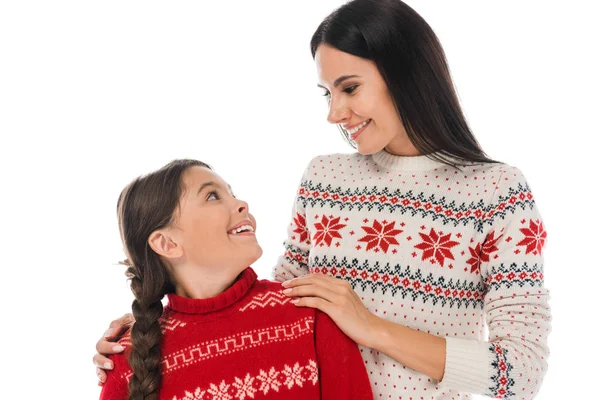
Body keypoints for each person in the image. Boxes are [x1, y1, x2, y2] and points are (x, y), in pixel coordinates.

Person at [95, 0, 551, 398]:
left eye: (350, 88)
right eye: (328, 93)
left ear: (406, 73)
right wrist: (156, 328)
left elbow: (521, 372)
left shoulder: (496, 194)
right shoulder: (326, 177)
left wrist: (371, 328)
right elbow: (272, 302)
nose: (335, 113)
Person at [99, 159, 372, 399]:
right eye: (213, 197)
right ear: (167, 243)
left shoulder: (310, 312)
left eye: (232, 194)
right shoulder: (127, 356)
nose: (242, 204)